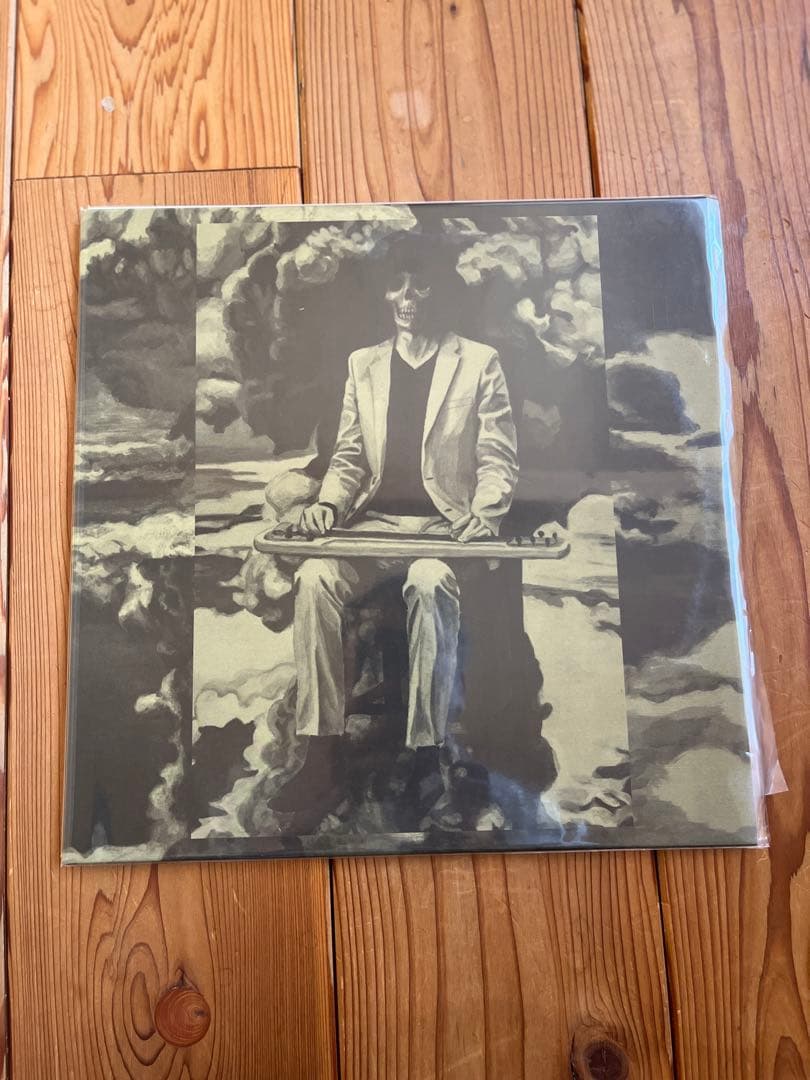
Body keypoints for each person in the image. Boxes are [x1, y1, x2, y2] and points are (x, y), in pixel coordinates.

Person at [270, 248, 519, 814]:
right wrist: (328, 505)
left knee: (429, 584)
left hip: (441, 529)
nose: (407, 299)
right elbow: (349, 457)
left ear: (439, 292)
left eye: (420, 286)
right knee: (314, 578)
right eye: (397, 286)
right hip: (371, 525)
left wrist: (485, 512)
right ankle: (320, 752)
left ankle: (425, 753)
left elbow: (498, 457)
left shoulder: (479, 362)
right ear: (385, 294)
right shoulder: (363, 364)